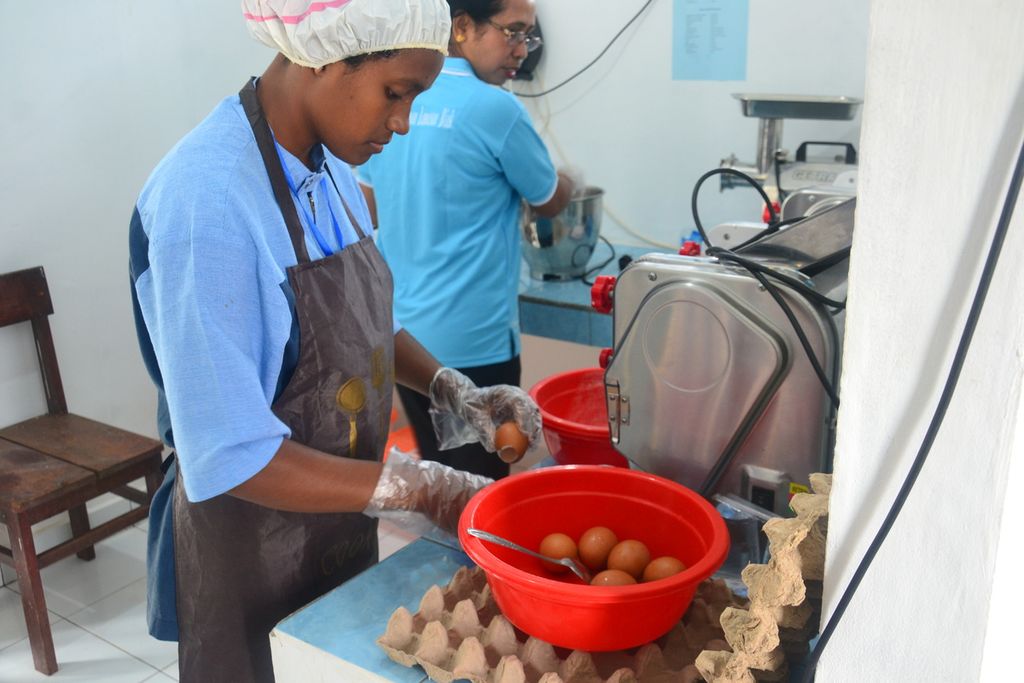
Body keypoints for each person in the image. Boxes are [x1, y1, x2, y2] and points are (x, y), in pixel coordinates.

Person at [128, 2, 541, 681]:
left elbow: (359, 321)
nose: (402, 123)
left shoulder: (335, 173)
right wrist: (416, 484)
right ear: (322, 53)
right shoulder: (208, 203)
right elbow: (228, 452)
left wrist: (451, 387)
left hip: (334, 518)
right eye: (395, 93)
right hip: (249, 543)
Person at [358, 0, 575, 481]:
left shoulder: (400, 98)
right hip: (476, 345)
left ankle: (450, 558)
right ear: (462, 28)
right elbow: (549, 198)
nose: (521, 50)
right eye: (512, 32)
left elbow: (366, 205)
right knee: (483, 491)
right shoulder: (496, 107)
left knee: (442, 479)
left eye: (528, 37)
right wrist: (570, 180)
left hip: (404, 339)